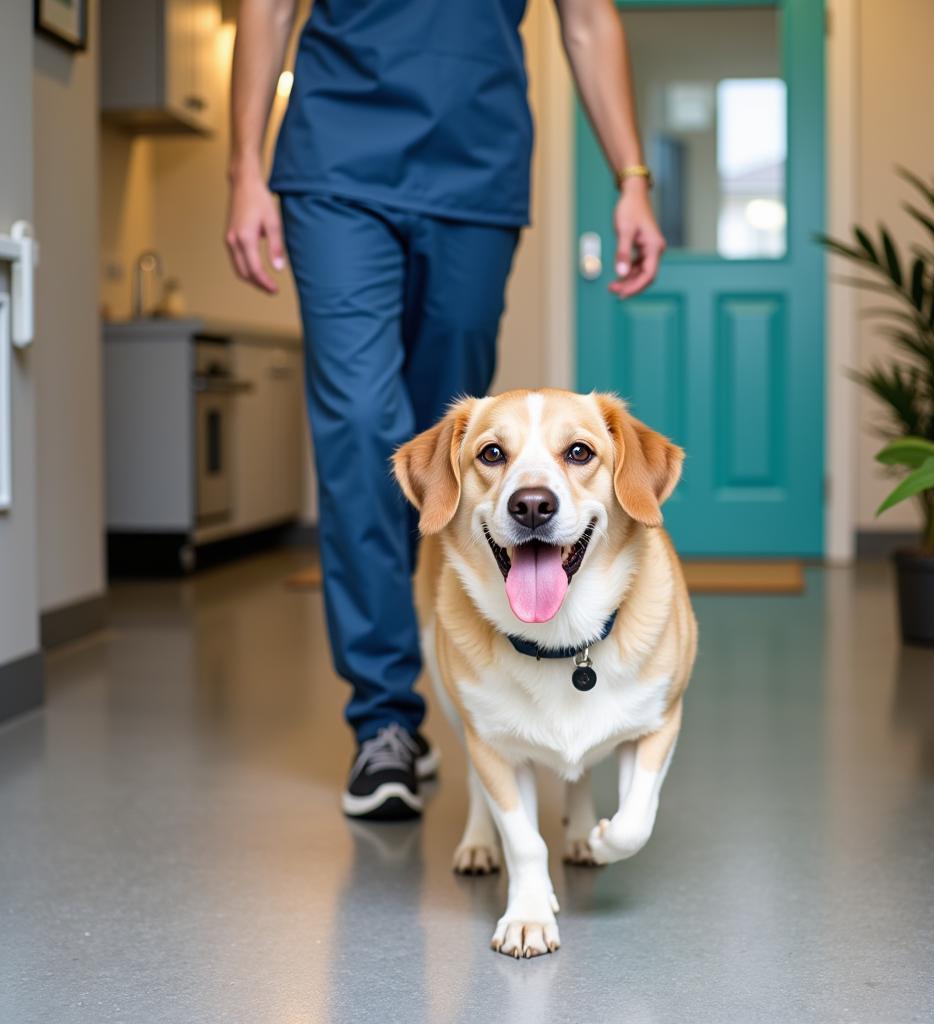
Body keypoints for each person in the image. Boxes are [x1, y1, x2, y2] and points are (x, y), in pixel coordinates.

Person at [226, 0, 665, 821]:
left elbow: (589, 21)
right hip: (335, 160)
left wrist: (632, 178)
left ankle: (463, 688)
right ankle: (384, 718)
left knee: (452, 461)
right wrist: (243, 166)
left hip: (476, 166)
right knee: (360, 426)